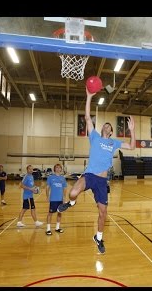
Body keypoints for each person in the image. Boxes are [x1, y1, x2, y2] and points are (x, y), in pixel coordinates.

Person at [56, 86, 136, 254]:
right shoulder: (95, 137)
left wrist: (132, 131)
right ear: (101, 130)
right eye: (104, 125)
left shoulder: (113, 142)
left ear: (111, 130)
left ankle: (98, 238)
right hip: (90, 175)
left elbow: (132, 145)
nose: (106, 126)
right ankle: (71, 203)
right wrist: (89, 96)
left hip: (102, 181)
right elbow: (86, 117)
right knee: (72, 193)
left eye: (108, 126)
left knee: (103, 213)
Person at [45, 163, 68, 235]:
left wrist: (64, 197)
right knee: (50, 213)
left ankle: (57, 228)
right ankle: (48, 229)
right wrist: (47, 196)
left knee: (59, 213)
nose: (58, 169)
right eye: (57, 167)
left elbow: (65, 188)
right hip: (53, 199)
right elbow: (47, 187)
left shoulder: (62, 178)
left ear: (61, 169)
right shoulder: (51, 177)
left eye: (59, 167)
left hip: (60, 199)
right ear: (54, 169)